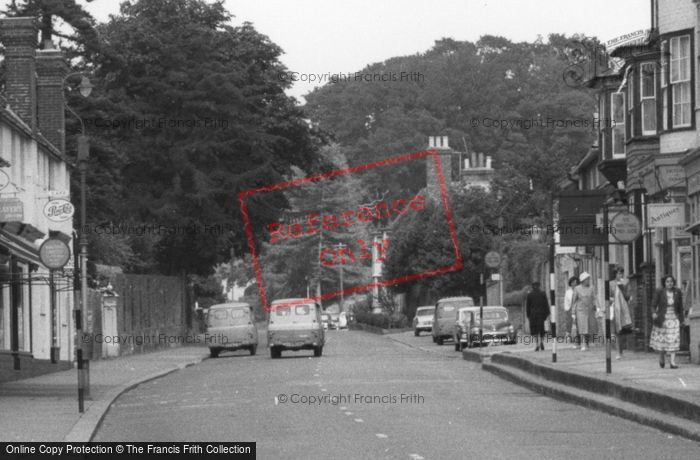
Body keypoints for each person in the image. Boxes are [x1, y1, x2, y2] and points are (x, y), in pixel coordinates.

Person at [650, 275, 684, 369]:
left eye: (671, 281)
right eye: (668, 281)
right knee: (663, 341)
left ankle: (672, 362)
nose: (670, 283)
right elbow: (653, 304)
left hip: (674, 319)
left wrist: (681, 319)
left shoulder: (677, 292)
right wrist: (653, 313)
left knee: (674, 340)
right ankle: (661, 358)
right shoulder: (660, 291)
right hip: (663, 319)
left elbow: (680, 307)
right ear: (664, 283)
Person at [608, 266, 633, 359]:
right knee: (617, 331)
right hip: (615, 310)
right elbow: (609, 296)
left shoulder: (626, 282)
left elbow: (629, 295)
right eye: (618, 273)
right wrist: (612, 300)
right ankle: (618, 352)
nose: (620, 275)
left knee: (623, 332)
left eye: (622, 273)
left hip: (624, 310)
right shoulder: (611, 284)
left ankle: (621, 351)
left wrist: (627, 295)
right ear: (615, 274)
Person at [571, 272, 600, 351]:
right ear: (583, 280)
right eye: (587, 279)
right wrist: (573, 312)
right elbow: (574, 301)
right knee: (582, 327)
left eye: (589, 279)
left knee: (589, 327)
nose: (588, 281)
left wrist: (597, 307)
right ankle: (583, 344)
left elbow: (594, 298)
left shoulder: (591, 288)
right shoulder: (577, 288)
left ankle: (586, 343)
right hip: (580, 310)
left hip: (590, 310)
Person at [526, 281, 550, 351]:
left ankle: (537, 344)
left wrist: (528, 315)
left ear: (532, 286)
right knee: (542, 330)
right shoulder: (543, 294)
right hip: (541, 315)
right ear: (539, 286)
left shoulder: (529, 295)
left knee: (534, 330)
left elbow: (528, 306)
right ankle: (541, 342)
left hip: (533, 315)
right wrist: (547, 314)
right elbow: (546, 304)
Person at [563, 276, 578, 345]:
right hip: (570, 309)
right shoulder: (568, 292)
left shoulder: (578, 290)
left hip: (578, 309)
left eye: (575, 282)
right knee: (569, 323)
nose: (574, 283)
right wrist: (567, 309)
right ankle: (568, 336)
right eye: (573, 282)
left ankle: (577, 337)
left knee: (577, 323)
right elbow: (566, 301)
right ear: (571, 283)